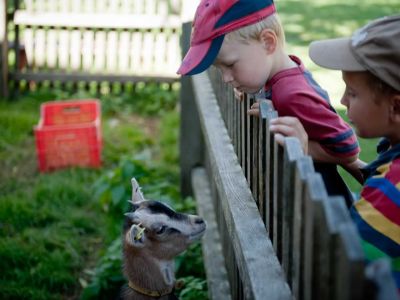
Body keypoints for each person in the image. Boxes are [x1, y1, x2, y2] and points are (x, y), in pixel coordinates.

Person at [177, 0, 360, 206]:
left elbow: (347, 148)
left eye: (230, 65)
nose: (226, 78)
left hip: (321, 208)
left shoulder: (291, 94)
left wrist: (302, 146)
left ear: (268, 43)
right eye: (220, 69)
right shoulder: (280, 79)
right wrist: (255, 91)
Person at [270, 15, 400, 291]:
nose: (341, 101)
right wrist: (310, 149)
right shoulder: (392, 158)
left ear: (396, 108)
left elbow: (338, 262)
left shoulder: (391, 192)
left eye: (352, 93)